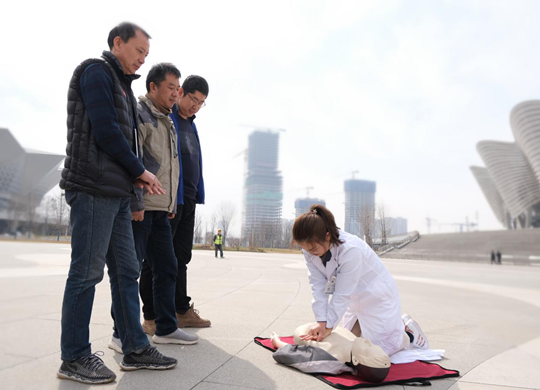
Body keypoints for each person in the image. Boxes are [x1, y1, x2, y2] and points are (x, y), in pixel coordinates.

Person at [58, 23, 177, 384]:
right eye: (139, 51)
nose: (143, 58)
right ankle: (74, 356)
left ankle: (135, 348)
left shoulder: (122, 87)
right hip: (92, 188)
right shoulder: (96, 72)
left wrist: (133, 194)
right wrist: (140, 172)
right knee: (86, 273)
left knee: (127, 270)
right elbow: (106, 130)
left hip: (117, 195)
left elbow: (127, 141)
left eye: (146, 54)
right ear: (117, 43)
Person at [108, 63, 198, 353]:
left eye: (177, 88)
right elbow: (133, 160)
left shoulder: (168, 120)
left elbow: (171, 167)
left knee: (167, 267)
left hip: (162, 209)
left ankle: (166, 327)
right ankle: (120, 333)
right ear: (153, 87)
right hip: (141, 208)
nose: (176, 93)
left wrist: (172, 202)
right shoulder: (141, 114)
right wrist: (136, 202)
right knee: (129, 269)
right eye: (170, 87)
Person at [292, 204, 429, 357]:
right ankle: (395, 328)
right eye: (306, 249)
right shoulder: (309, 250)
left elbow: (342, 293)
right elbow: (317, 285)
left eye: (313, 248)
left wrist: (329, 325)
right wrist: (321, 321)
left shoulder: (351, 249)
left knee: (380, 352)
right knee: (350, 346)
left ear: (327, 236)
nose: (311, 253)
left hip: (376, 296)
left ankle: (408, 334)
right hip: (354, 298)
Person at [140, 75, 211, 332]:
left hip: (189, 199)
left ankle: (181, 309)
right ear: (180, 92)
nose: (196, 106)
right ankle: (151, 316)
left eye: (202, 103)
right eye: (193, 99)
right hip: (169, 200)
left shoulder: (190, 125)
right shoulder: (166, 119)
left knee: (181, 257)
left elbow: (194, 163)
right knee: (157, 259)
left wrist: (197, 193)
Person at [270, 323, 391, 383]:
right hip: (329, 327)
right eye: (373, 345)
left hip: (307, 333)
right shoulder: (358, 347)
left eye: (368, 347)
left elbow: (296, 354)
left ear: (356, 360)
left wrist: (277, 342)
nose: (368, 341)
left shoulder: (332, 358)